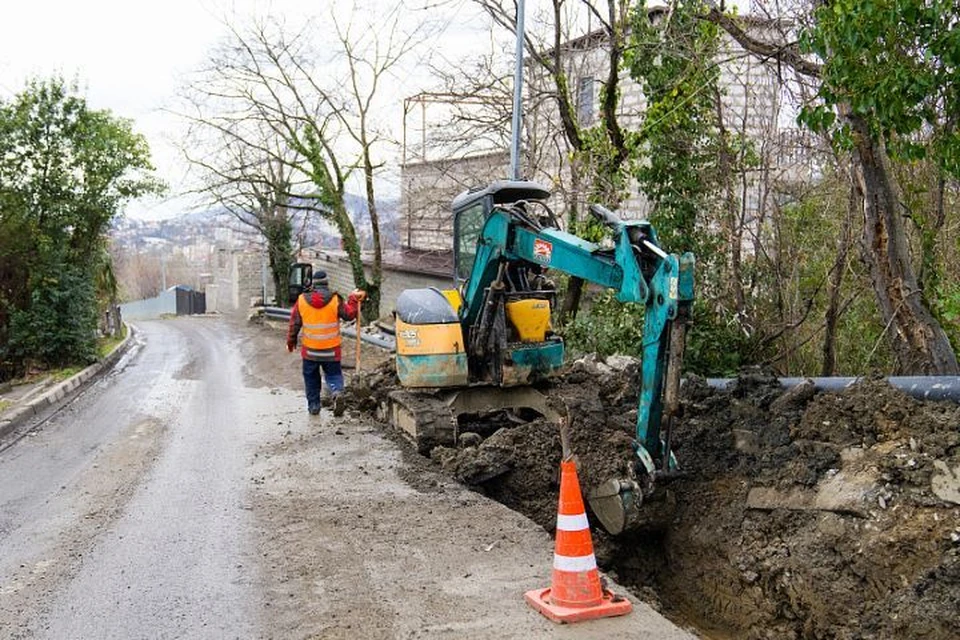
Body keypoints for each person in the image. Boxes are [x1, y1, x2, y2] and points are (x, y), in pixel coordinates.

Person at [287, 269, 366, 417]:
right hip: (331, 350)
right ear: (327, 283)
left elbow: (294, 323)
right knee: (334, 374)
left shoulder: (302, 300)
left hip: (310, 351)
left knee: (311, 378)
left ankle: (314, 406)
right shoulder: (335, 299)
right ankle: (336, 392)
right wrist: (354, 300)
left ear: (313, 284)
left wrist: (291, 341)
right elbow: (349, 315)